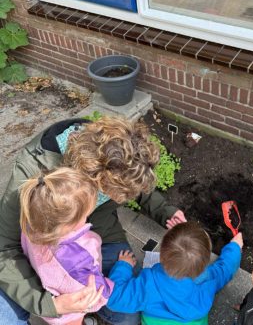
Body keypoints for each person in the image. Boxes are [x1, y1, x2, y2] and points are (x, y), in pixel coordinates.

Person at [0, 116, 186, 324]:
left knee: (126, 317)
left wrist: (166, 212)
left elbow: (130, 182)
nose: (120, 200)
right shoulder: (33, 174)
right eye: (111, 193)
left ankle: (91, 314)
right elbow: (4, 249)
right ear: (87, 181)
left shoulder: (109, 149)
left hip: (96, 239)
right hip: (39, 255)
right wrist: (51, 305)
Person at [20, 167, 114, 325]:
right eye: (85, 215)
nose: (87, 217)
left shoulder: (32, 220)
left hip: (50, 296)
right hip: (70, 310)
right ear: (69, 224)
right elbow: (97, 291)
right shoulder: (79, 253)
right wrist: (109, 287)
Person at [107, 222, 243, 325]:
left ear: (162, 256)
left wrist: (123, 266)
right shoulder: (207, 280)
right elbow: (225, 269)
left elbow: (114, 298)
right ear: (203, 265)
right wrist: (235, 247)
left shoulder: (148, 284)